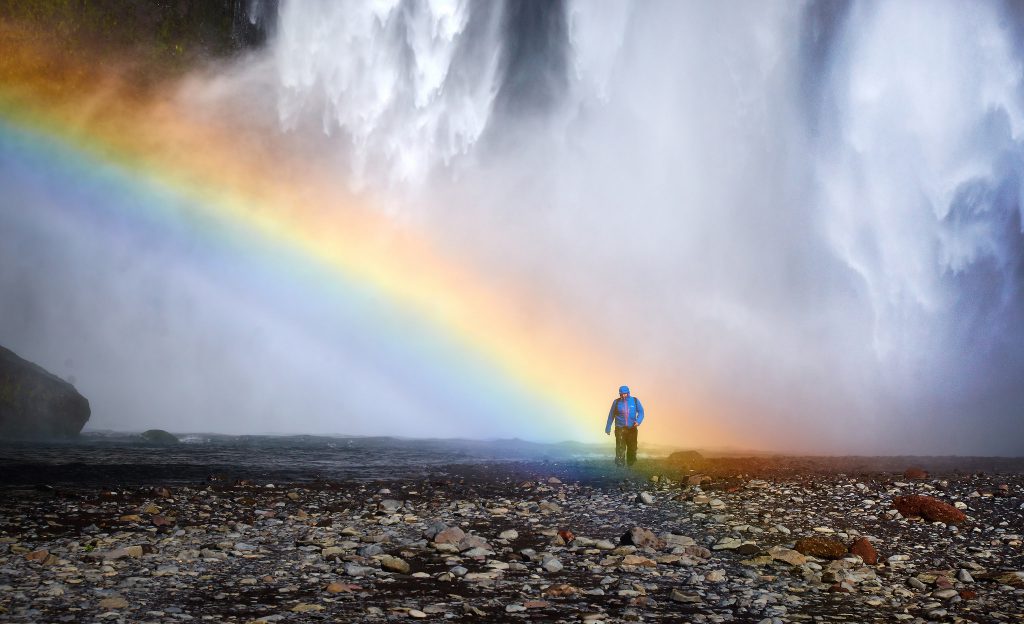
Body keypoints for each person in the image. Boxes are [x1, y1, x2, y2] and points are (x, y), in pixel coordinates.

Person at [605, 385, 644, 467]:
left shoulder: (635, 400)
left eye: (625, 394)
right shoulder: (616, 402)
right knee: (620, 448)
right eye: (621, 394)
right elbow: (611, 415)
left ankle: (631, 464)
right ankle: (620, 465)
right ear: (619, 394)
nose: (623, 395)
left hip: (632, 428)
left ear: (628, 393)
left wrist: (638, 421)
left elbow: (641, 412)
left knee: (632, 448)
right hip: (620, 428)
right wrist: (608, 427)